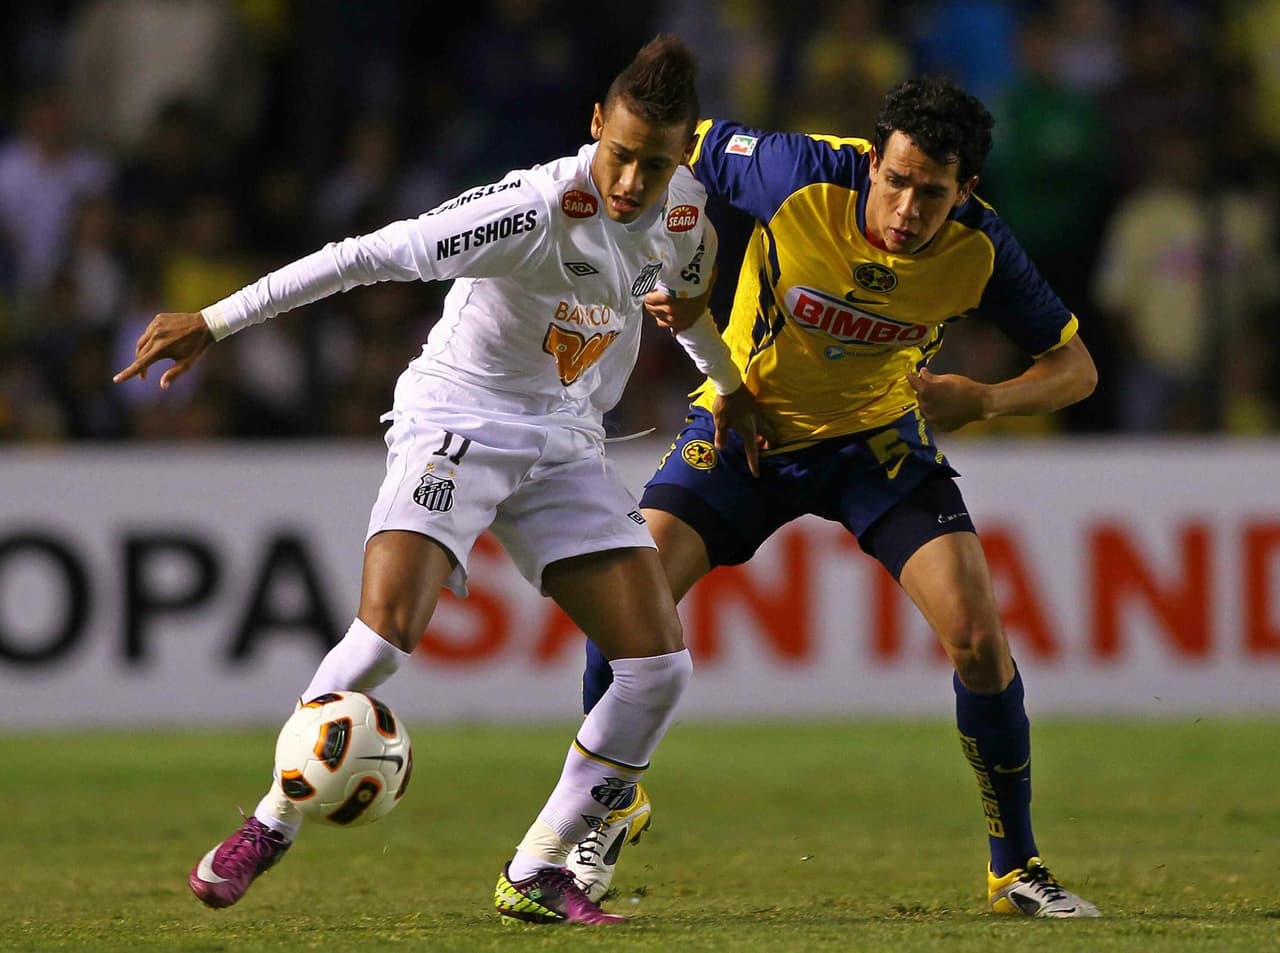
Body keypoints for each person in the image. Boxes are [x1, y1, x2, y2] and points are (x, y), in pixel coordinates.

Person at [115, 34, 743, 926]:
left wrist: (731, 385)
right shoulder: (530, 208)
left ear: (683, 151)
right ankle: (273, 820)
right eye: (620, 153)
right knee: (382, 640)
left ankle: (539, 866)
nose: (632, 180)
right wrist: (216, 321)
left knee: (659, 667)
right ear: (595, 124)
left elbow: (682, 309)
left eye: (654, 161)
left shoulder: (684, 215)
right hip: (460, 418)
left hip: (564, 441)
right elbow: (363, 255)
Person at [573, 75, 1103, 918]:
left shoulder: (984, 248)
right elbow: (671, 146)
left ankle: (1017, 869)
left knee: (975, 636)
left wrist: (989, 398)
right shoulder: (794, 173)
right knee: (623, 602)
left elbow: (1077, 370)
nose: (906, 208)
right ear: (873, 163)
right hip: (746, 428)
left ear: (965, 190)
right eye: (895, 181)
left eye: (932, 193)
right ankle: (605, 806)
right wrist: (679, 261)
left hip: (875, 445)